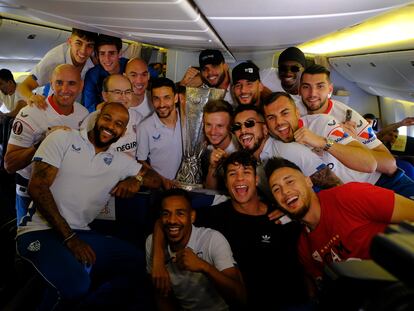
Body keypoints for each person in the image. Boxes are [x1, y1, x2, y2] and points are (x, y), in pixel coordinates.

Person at [17, 102, 161, 310]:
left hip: (81, 233)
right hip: (40, 232)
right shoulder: (64, 137)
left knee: (137, 261)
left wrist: (136, 180)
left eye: (119, 124)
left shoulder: (119, 160)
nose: (111, 126)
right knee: (76, 286)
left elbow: (154, 179)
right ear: (98, 116)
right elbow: (37, 188)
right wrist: (70, 239)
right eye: (108, 118)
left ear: (123, 131)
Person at [150, 151, 309, 310]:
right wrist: (157, 262)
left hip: (295, 302)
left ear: (256, 179)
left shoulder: (280, 215)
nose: (240, 178)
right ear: (226, 182)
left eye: (246, 172)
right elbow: (167, 221)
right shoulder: (215, 215)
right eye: (233, 174)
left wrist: (290, 212)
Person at [265, 156, 414, 287]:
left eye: (290, 181)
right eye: (276, 190)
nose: (285, 192)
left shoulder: (349, 196)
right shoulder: (304, 249)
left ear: (308, 182)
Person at [300, 64, 414, 198]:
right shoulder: (292, 114)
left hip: (380, 181)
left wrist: (351, 143)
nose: (313, 93)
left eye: (320, 86)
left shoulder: (347, 115)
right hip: (344, 191)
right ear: (299, 90)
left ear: (330, 89)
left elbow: (389, 164)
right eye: (306, 87)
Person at [5, 64, 89, 224]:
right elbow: (10, 165)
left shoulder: (83, 114)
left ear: (81, 86)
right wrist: (44, 143)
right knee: (28, 242)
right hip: (29, 190)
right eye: (59, 83)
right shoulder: (30, 112)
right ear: (51, 83)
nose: (65, 89)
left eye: (71, 83)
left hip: (62, 190)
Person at [146, 188, 246, 310]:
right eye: (166, 214)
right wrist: (158, 262)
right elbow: (162, 296)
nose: (172, 220)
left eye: (180, 213)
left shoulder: (212, 239)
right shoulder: (153, 243)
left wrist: (204, 267)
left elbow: (240, 297)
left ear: (192, 217)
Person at [232, 104, 342, 199]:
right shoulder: (252, 165)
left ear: (265, 129)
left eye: (250, 123)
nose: (243, 131)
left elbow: (335, 188)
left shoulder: (288, 150)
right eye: (237, 127)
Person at [17, 28, 98, 108]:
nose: (83, 51)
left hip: (77, 110)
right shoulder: (54, 59)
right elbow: (23, 86)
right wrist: (31, 97)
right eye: (78, 43)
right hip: (54, 109)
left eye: (89, 45)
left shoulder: (96, 57)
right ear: (70, 42)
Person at [82, 74, 143, 157]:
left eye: (128, 92)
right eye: (117, 92)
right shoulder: (91, 121)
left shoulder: (139, 119)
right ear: (105, 96)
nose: (124, 97)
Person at [136, 77, 182, 187]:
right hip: (160, 187)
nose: (161, 104)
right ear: (151, 100)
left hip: (189, 186)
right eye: (156, 98)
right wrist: (162, 180)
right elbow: (141, 161)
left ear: (176, 98)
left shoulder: (188, 121)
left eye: (167, 98)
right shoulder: (145, 127)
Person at [82, 34, 128, 112]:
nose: (107, 59)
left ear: (119, 53)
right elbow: (88, 108)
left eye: (111, 53)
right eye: (102, 54)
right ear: (97, 55)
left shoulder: (129, 65)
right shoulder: (92, 75)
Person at [202, 99, 238, 190]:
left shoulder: (241, 147)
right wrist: (212, 167)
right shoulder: (204, 148)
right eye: (208, 125)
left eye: (220, 126)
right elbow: (210, 191)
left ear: (230, 126)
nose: (213, 132)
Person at [260, 46, 308, 115]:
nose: (288, 73)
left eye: (294, 68)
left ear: (304, 70)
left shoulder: (305, 102)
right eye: (283, 68)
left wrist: (271, 96)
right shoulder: (267, 75)